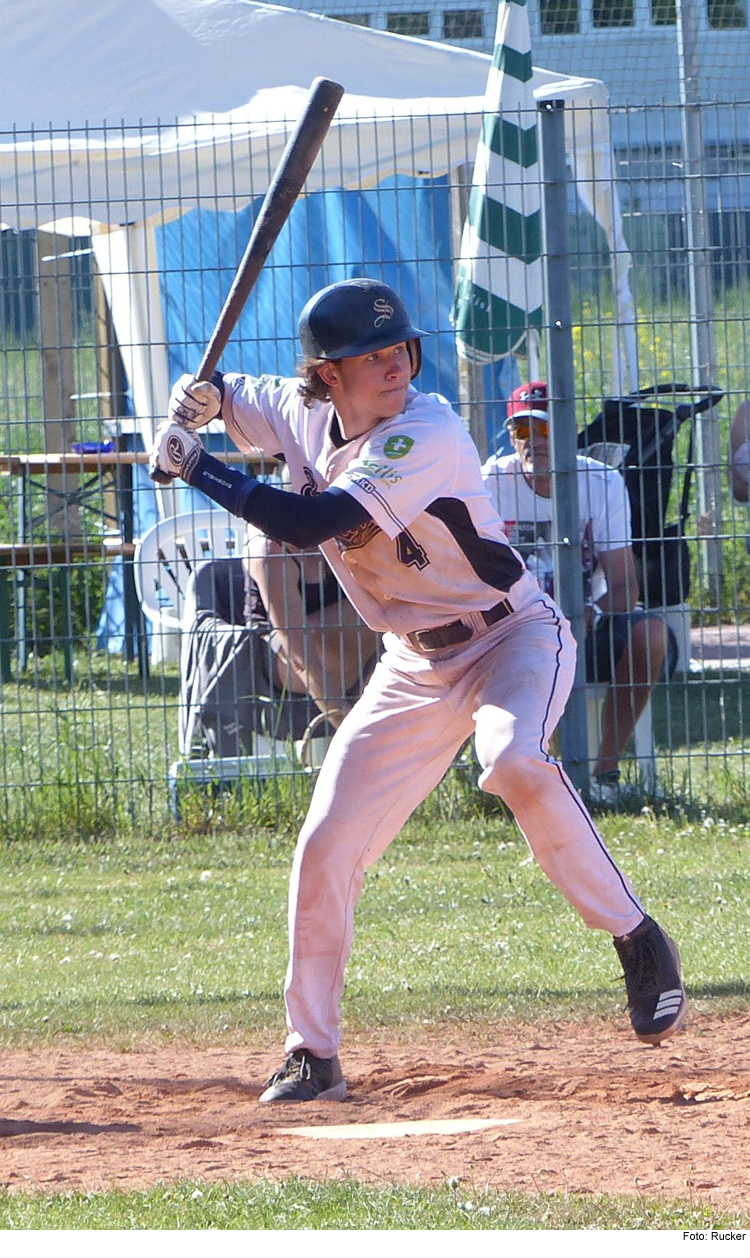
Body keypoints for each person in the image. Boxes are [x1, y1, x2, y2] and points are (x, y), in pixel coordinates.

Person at [149, 277, 686, 1103]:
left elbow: (308, 523)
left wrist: (198, 467)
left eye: (400, 346)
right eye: (371, 355)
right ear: (328, 374)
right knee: (327, 841)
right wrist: (202, 397)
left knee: (512, 760)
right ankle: (312, 1051)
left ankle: (637, 937)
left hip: (512, 634)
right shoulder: (303, 413)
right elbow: (238, 396)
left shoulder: (426, 431)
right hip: (413, 661)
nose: (395, 362)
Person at [482, 382, 671, 806]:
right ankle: (520, 779)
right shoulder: (489, 483)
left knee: (651, 635)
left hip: (587, 622)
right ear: (512, 436)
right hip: (512, 627)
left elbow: (625, 587)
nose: (536, 442)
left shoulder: (602, 482)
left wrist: (586, 614)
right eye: (524, 430)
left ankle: (603, 775)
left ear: (569, 430)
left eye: (546, 429)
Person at [179, 524, 378, 761]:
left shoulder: (349, 533)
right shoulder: (269, 550)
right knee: (380, 614)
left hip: (343, 656)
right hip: (276, 660)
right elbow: (300, 657)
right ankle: (363, 734)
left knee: (394, 612)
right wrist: (348, 727)